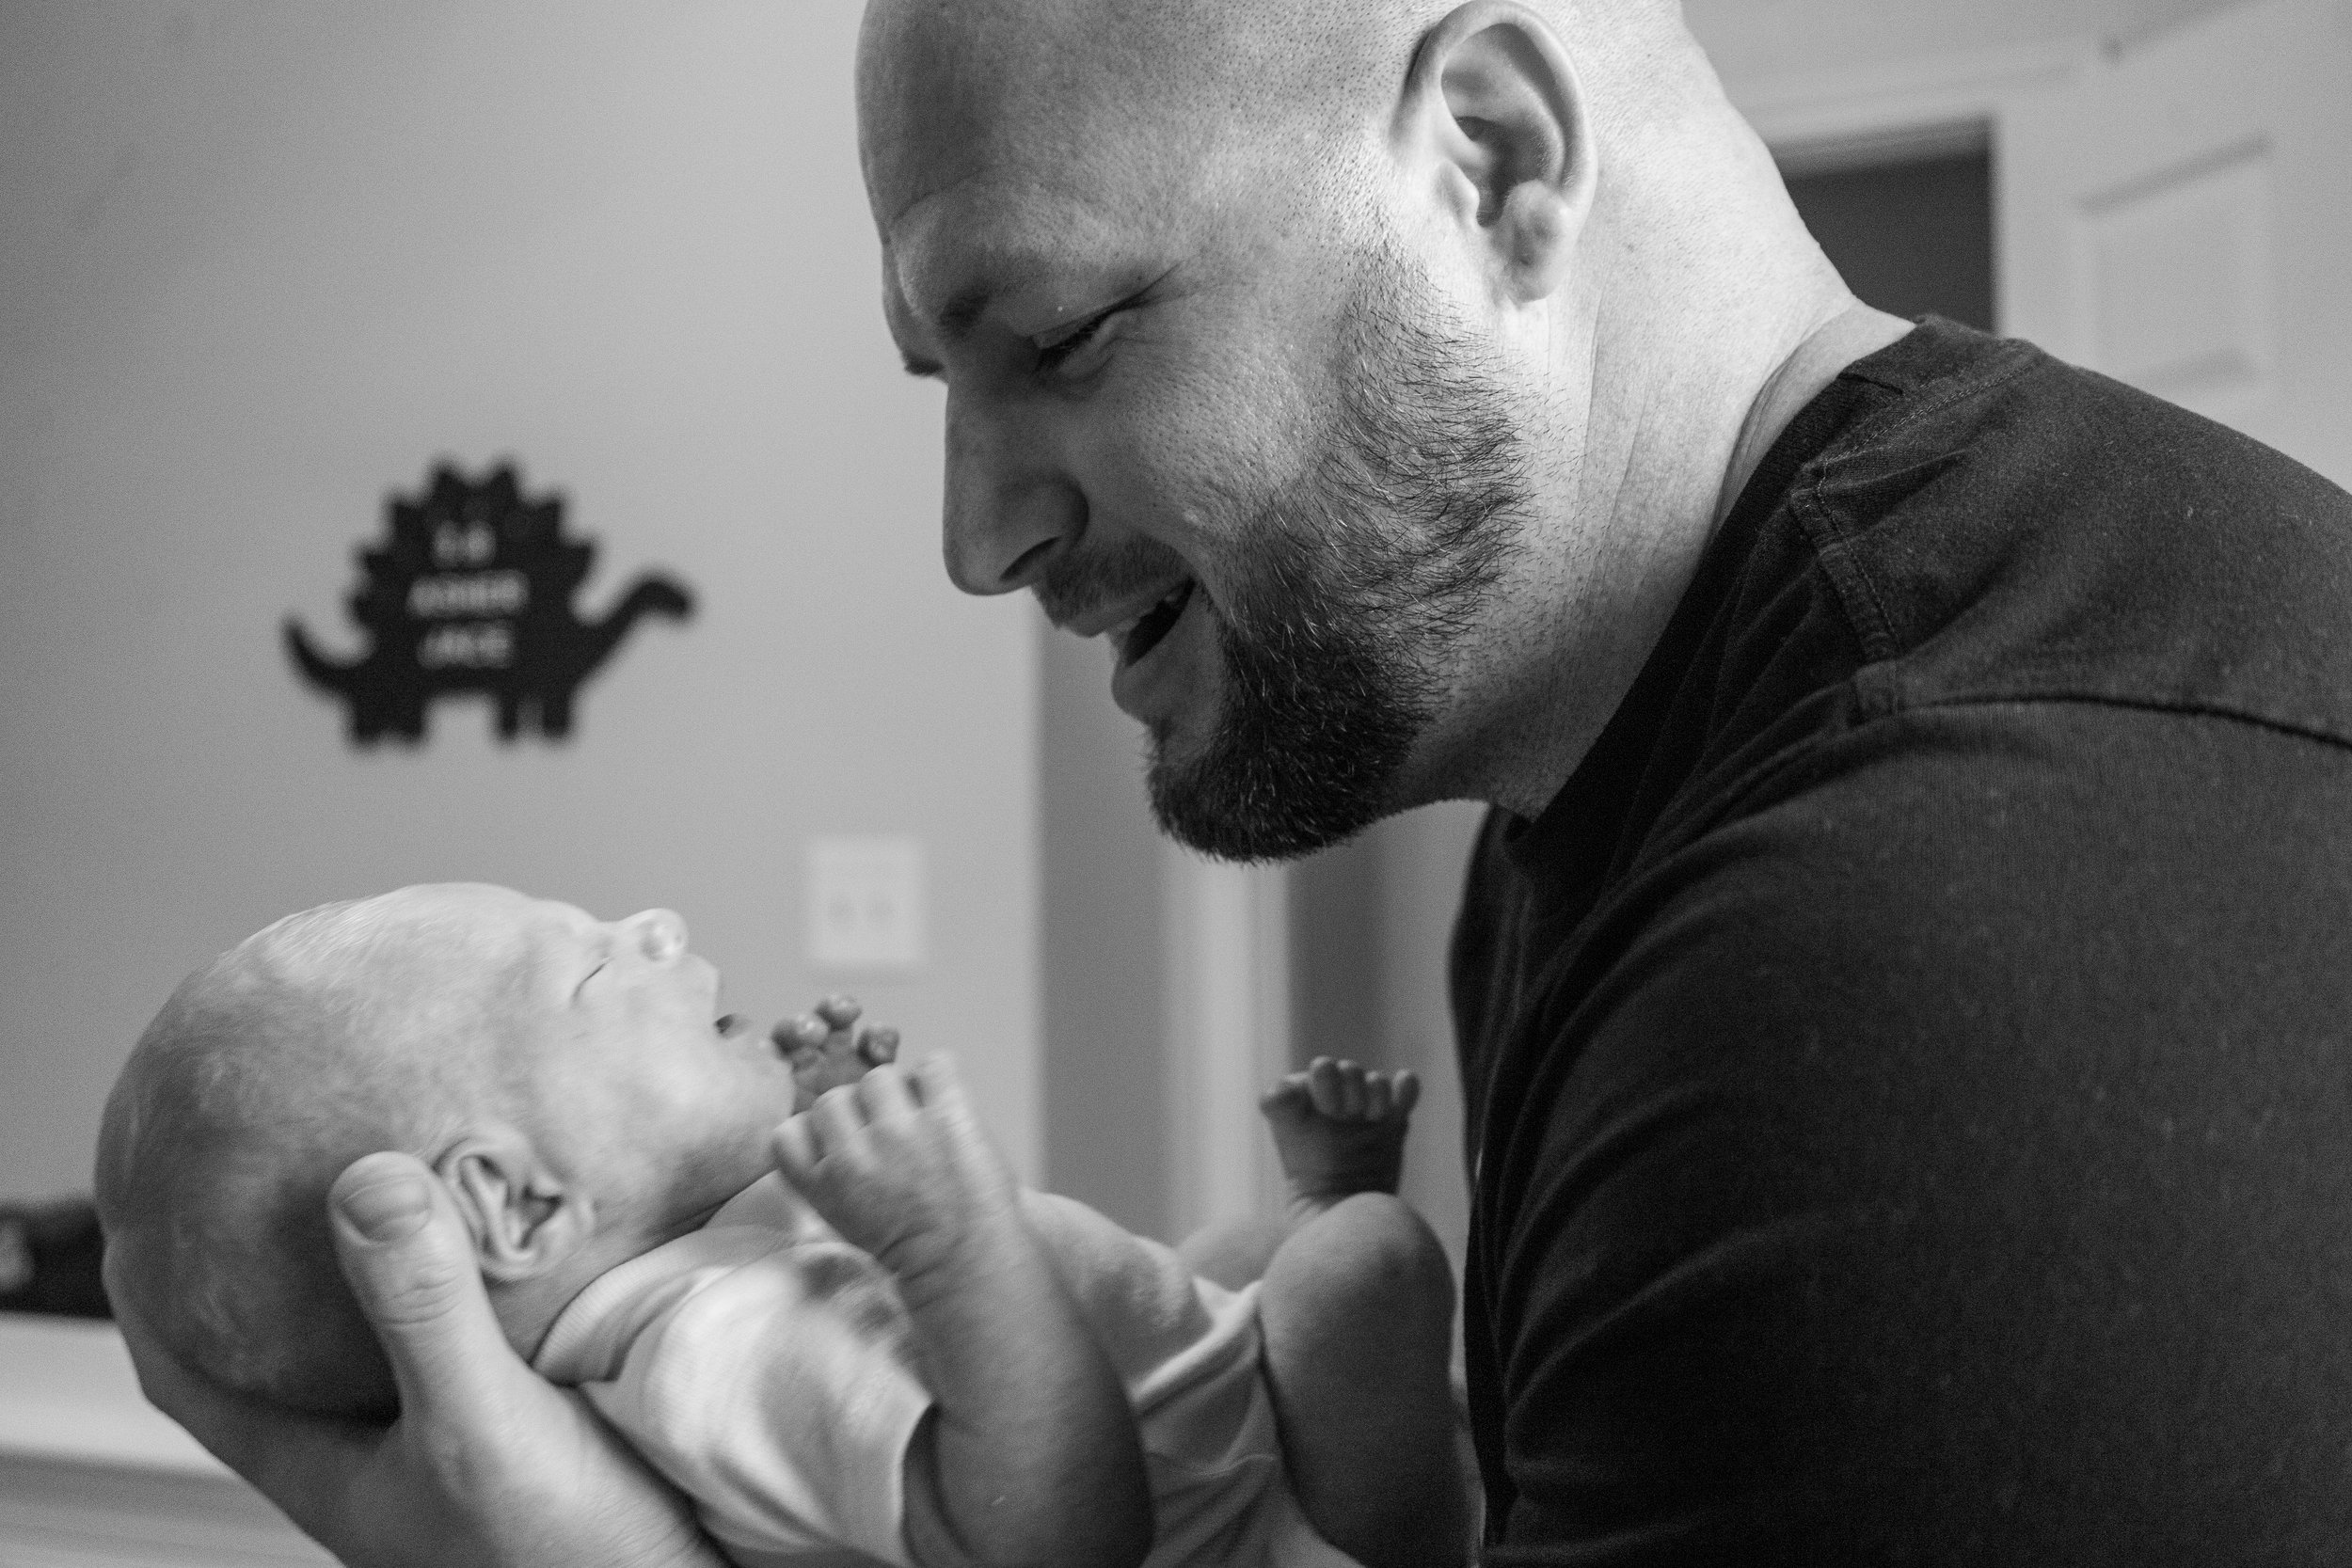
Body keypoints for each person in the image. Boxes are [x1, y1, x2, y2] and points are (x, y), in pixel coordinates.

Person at [112, 0, 2352, 1561]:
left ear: (1490, 161)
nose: (975, 537)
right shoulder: (1601, 791)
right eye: (939, 385)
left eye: (1058, 338)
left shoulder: (1924, 971)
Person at [98, 884, 1465, 1568]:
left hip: (1185, 1407)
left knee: (1228, 1268)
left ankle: (1297, 1258)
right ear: (516, 1205)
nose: (652, 923)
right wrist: (946, 1239)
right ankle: (1409, 1520)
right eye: (592, 971)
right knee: (1365, 1259)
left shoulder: (693, 1281)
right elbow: (1057, 1537)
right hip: (1251, 1528)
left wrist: (825, 1133)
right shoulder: (712, 1355)